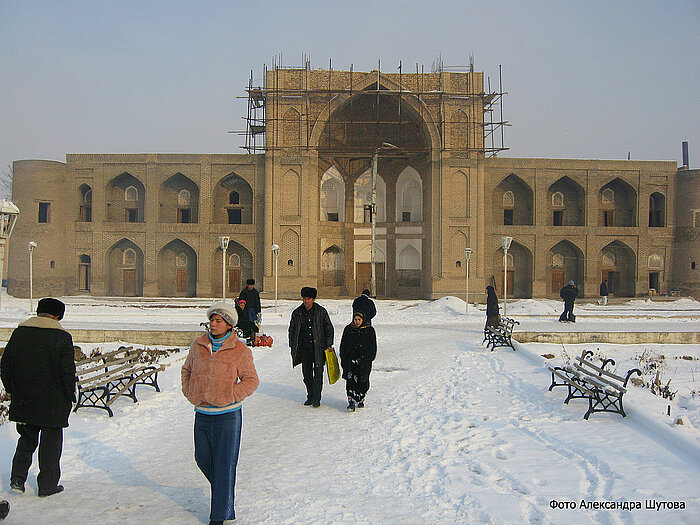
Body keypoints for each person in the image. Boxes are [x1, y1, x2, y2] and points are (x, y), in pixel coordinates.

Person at [181, 302, 259, 525]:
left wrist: (230, 394)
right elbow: (187, 370)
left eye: (218, 321)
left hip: (227, 416)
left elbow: (251, 380)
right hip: (203, 413)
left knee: (224, 465)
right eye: (211, 320)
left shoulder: (240, 350)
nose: (213, 325)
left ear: (229, 325)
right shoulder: (199, 345)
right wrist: (190, 391)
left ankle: (218, 516)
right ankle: (226, 500)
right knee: (202, 459)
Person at [1, 298, 76, 498]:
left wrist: (12, 390)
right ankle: (47, 485)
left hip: (24, 399)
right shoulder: (62, 337)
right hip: (54, 402)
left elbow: (5, 364)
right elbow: (67, 371)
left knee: (26, 439)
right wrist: (70, 395)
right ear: (58, 316)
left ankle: (17, 479)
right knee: (51, 445)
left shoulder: (20, 332)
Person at [288, 287, 334, 407]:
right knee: (307, 375)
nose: (306, 301)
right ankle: (310, 395)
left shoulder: (321, 312)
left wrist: (328, 344)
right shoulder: (297, 313)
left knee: (318, 374)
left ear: (313, 299)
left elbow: (329, 328)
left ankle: (317, 398)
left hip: (319, 349)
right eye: (304, 298)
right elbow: (292, 329)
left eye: (308, 299)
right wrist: (292, 344)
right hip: (304, 350)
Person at [339, 311, 377, 412]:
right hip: (350, 361)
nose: (357, 322)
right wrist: (344, 357)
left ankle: (361, 398)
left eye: (359, 320)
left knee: (362, 380)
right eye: (355, 319)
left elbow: (373, 346)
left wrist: (369, 358)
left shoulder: (369, 330)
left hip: (364, 361)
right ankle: (351, 401)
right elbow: (343, 344)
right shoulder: (348, 330)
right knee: (351, 380)